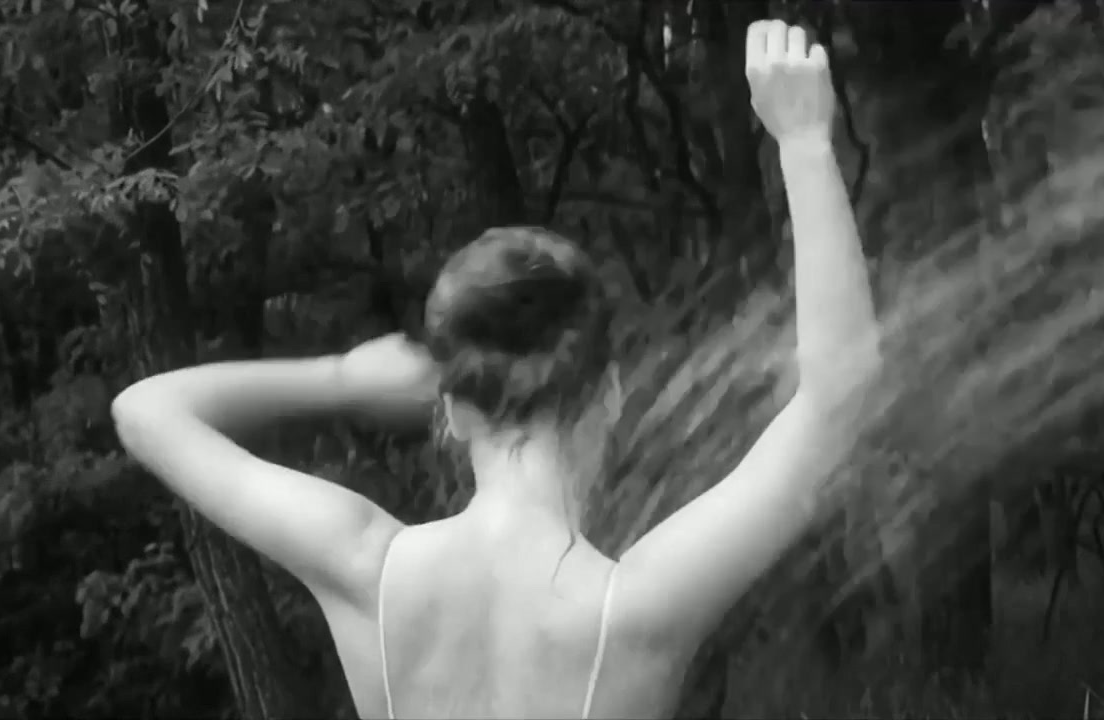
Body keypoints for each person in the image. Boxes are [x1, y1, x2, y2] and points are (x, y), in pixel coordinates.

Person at [112, 19, 881, 720]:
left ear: (452, 408)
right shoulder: (637, 608)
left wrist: (341, 379)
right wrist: (805, 142)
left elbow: (147, 411)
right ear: (609, 392)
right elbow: (837, 398)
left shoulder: (362, 564)